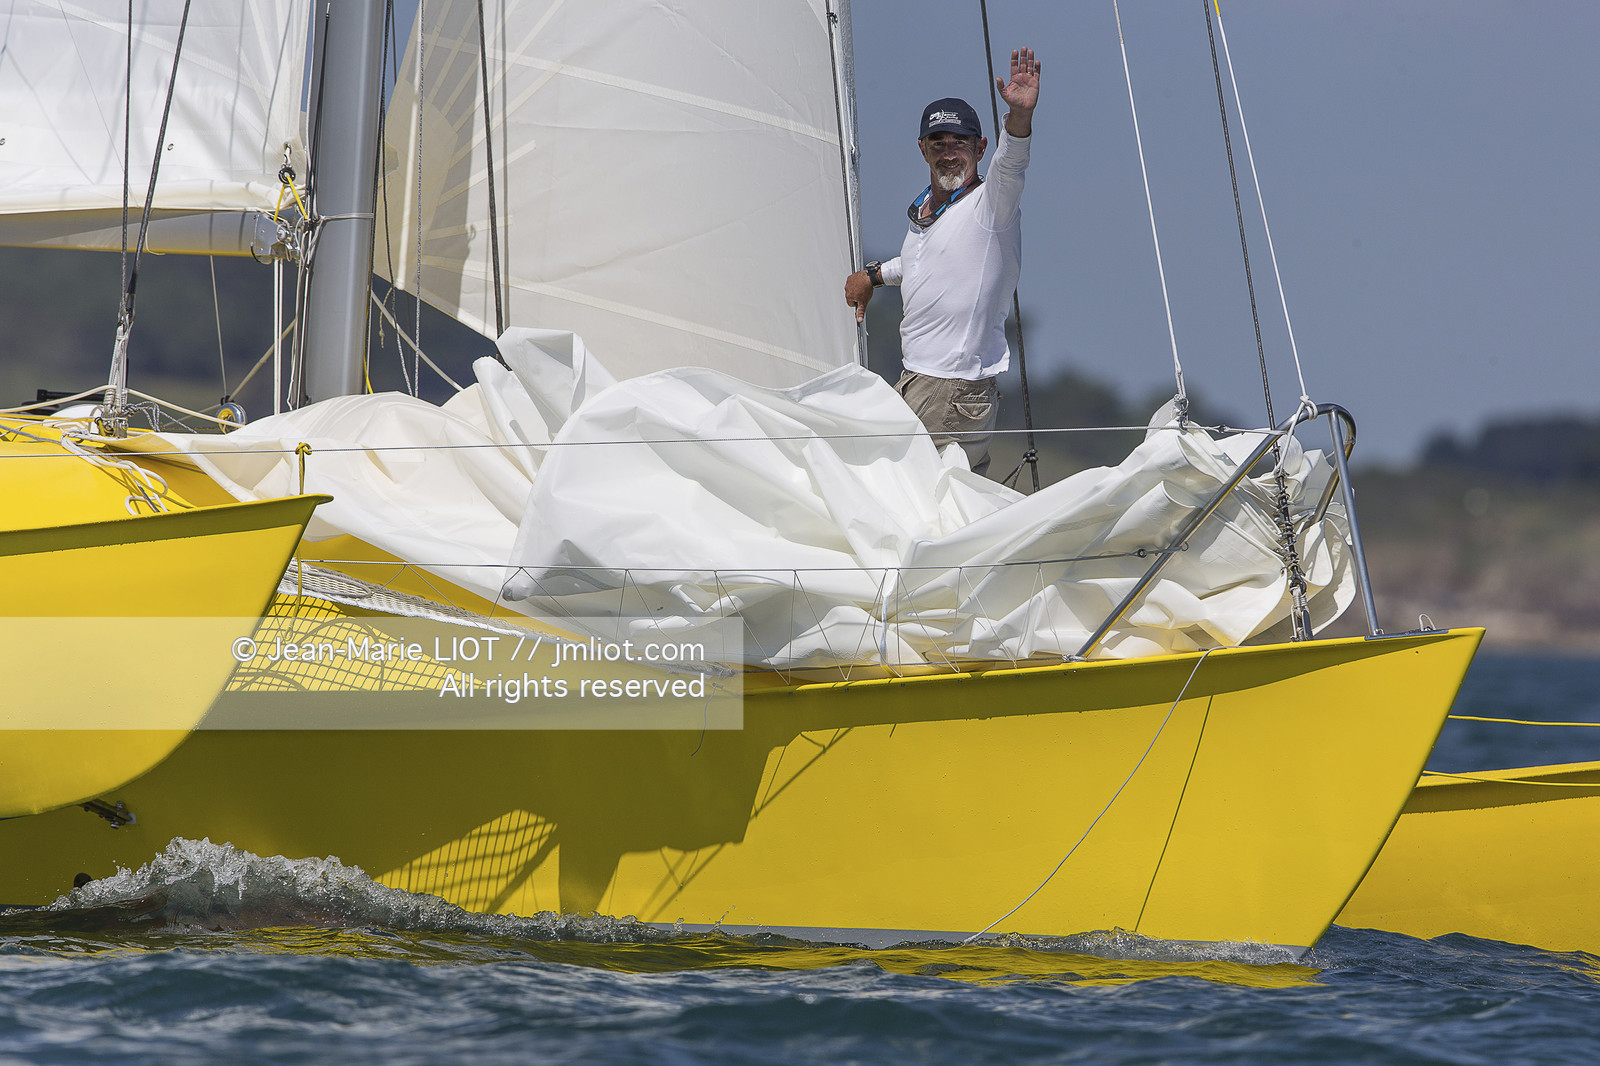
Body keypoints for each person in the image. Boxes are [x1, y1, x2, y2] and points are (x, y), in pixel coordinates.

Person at [845, 48, 1039, 478]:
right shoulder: (930, 213)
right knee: (940, 506)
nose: (949, 152)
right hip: (922, 380)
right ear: (923, 149)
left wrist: (1019, 119)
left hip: (952, 385)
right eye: (939, 142)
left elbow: (1011, 165)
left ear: (980, 146)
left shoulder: (992, 206)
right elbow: (921, 262)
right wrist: (873, 276)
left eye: (960, 142)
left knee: (911, 499)